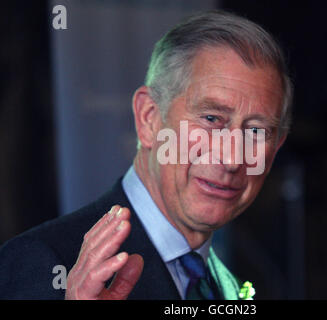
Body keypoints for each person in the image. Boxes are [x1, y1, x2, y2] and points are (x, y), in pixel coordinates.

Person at [0, 10, 292, 300]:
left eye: (256, 132)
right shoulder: (47, 263)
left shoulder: (257, 280)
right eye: (212, 119)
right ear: (149, 118)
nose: (232, 160)